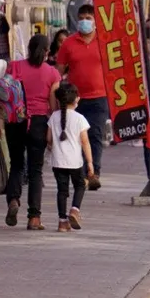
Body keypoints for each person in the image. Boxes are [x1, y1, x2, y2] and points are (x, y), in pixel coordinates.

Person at [0, 34, 61, 230]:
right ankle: (34, 218)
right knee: (35, 170)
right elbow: (52, 105)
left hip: (16, 121)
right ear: (47, 52)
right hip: (38, 122)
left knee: (16, 164)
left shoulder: (15, 67)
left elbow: (4, 95)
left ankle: (13, 200)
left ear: (28, 48)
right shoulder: (52, 74)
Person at [56, 4, 107, 189]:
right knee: (76, 137)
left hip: (100, 97)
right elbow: (59, 71)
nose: (85, 21)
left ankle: (93, 173)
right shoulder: (69, 43)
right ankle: (81, 172)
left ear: (95, 21)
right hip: (75, 100)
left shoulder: (104, 41)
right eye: (82, 17)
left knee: (95, 135)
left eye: (89, 18)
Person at [48, 82, 95, 233]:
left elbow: (48, 139)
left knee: (62, 191)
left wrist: (52, 146)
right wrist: (90, 162)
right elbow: (85, 142)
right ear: (76, 100)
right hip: (75, 161)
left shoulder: (54, 117)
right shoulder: (79, 118)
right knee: (80, 185)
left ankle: (62, 222)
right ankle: (74, 210)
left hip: (57, 160)